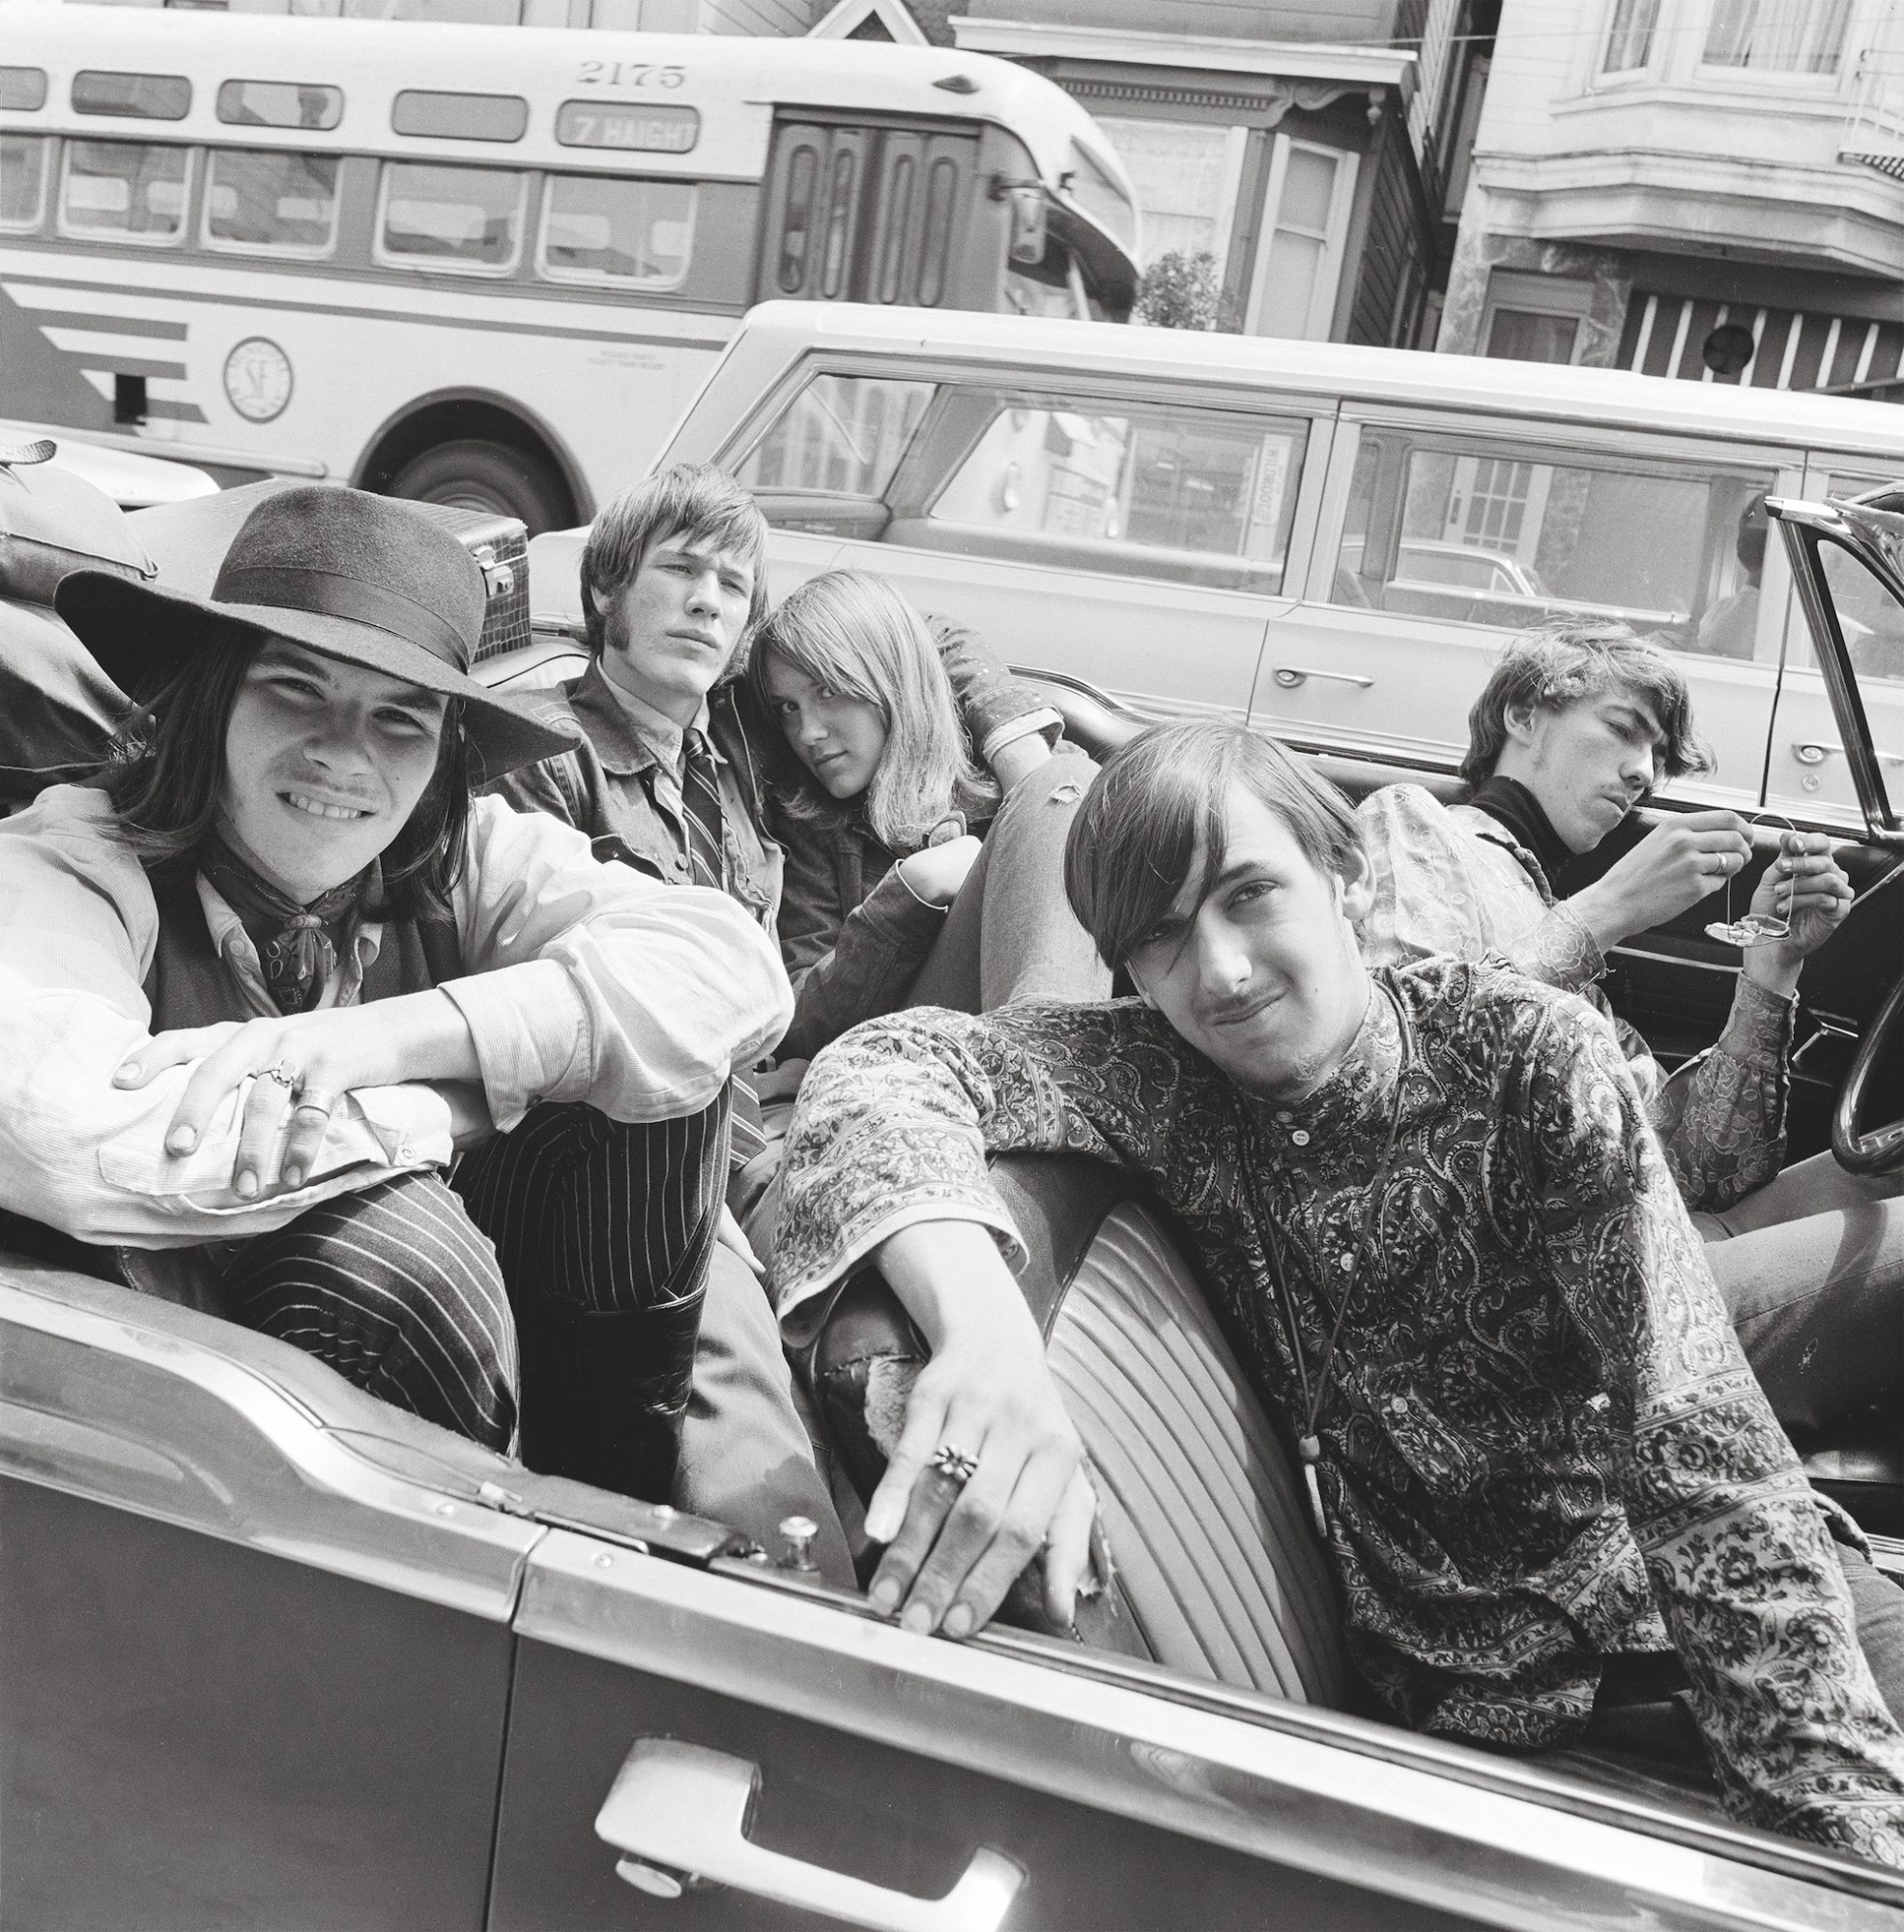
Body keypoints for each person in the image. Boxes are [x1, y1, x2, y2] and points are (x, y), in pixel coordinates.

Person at [768, 719, 1904, 1862]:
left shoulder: (1523, 1059)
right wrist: (985, 1332)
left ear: (1343, 876)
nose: (1217, 969)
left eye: (1249, 894)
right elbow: (881, 1067)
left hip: (1744, 1600)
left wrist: (1826, 1823)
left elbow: (1694, 1437)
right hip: (1514, 1707)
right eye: (1159, 940)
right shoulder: (1161, 1081)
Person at [0, 485, 791, 1507]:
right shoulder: (77, 860)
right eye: (296, 688)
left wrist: (389, 1040)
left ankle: (607, 1515)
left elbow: (726, 970)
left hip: (502, 1345)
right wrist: (453, 1109)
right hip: (199, 1396)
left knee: (654, 1091)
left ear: (440, 759)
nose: (345, 752)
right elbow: (66, 1129)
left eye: (399, 717)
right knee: (401, 1253)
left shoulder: (456, 857)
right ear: (212, 697)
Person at [1354, 620, 1898, 1437]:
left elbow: (1711, 1171)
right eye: (1621, 731)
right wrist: (1606, 911)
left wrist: (1771, 972)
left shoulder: (1544, 905)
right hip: (1572, 1306)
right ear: (1525, 716)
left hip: (1671, 1232)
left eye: (1657, 757)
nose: (1642, 772)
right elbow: (1398, 1066)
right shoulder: (1416, 826)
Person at [749, 568, 1110, 1062]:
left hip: (1013, 1057)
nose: (807, 731)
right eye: (787, 707)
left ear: (888, 679)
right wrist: (913, 892)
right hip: (914, 1055)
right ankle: (1051, 1082)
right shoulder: (810, 821)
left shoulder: (1009, 772)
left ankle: (1045, 1079)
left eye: (827, 691)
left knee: (1063, 783)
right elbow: (798, 1020)